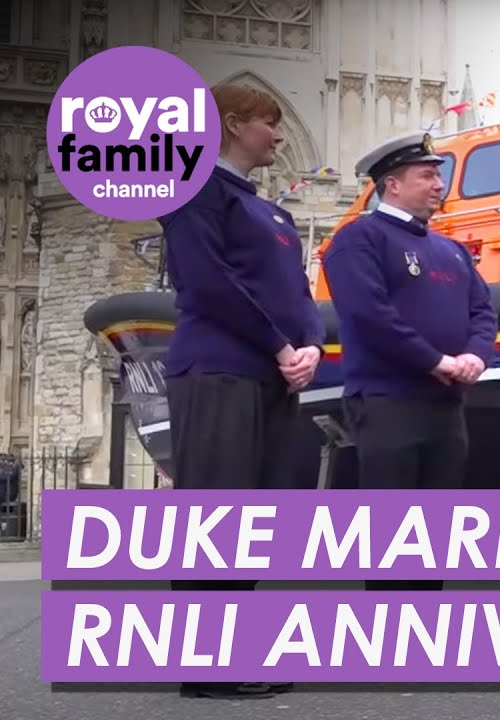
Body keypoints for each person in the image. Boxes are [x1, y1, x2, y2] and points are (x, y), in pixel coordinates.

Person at [158, 83, 324, 699]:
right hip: (219, 369)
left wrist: (311, 345)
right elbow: (206, 282)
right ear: (232, 124)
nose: (278, 136)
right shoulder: (195, 190)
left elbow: (299, 293)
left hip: (271, 376)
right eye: (269, 123)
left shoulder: (273, 214)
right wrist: (280, 345)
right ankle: (206, 668)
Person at [322, 131, 498, 592]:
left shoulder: (452, 252)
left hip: (444, 408)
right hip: (388, 403)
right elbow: (368, 314)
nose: (439, 184)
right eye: (427, 175)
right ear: (392, 185)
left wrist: (475, 357)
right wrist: (435, 360)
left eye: (438, 175)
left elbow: (483, 310)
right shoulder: (359, 240)